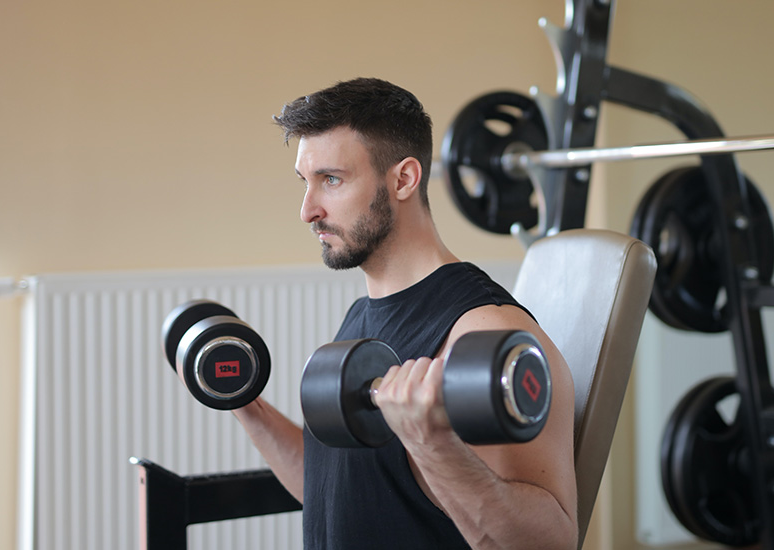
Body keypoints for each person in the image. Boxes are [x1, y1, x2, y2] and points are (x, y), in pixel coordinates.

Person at [232, 78, 578, 550]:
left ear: (403, 180)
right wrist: (245, 404)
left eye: (331, 180)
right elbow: (335, 492)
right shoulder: (363, 316)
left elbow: (549, 543)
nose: (307, 210)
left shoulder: (484, 331)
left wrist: (433, 443)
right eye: (305, 182)